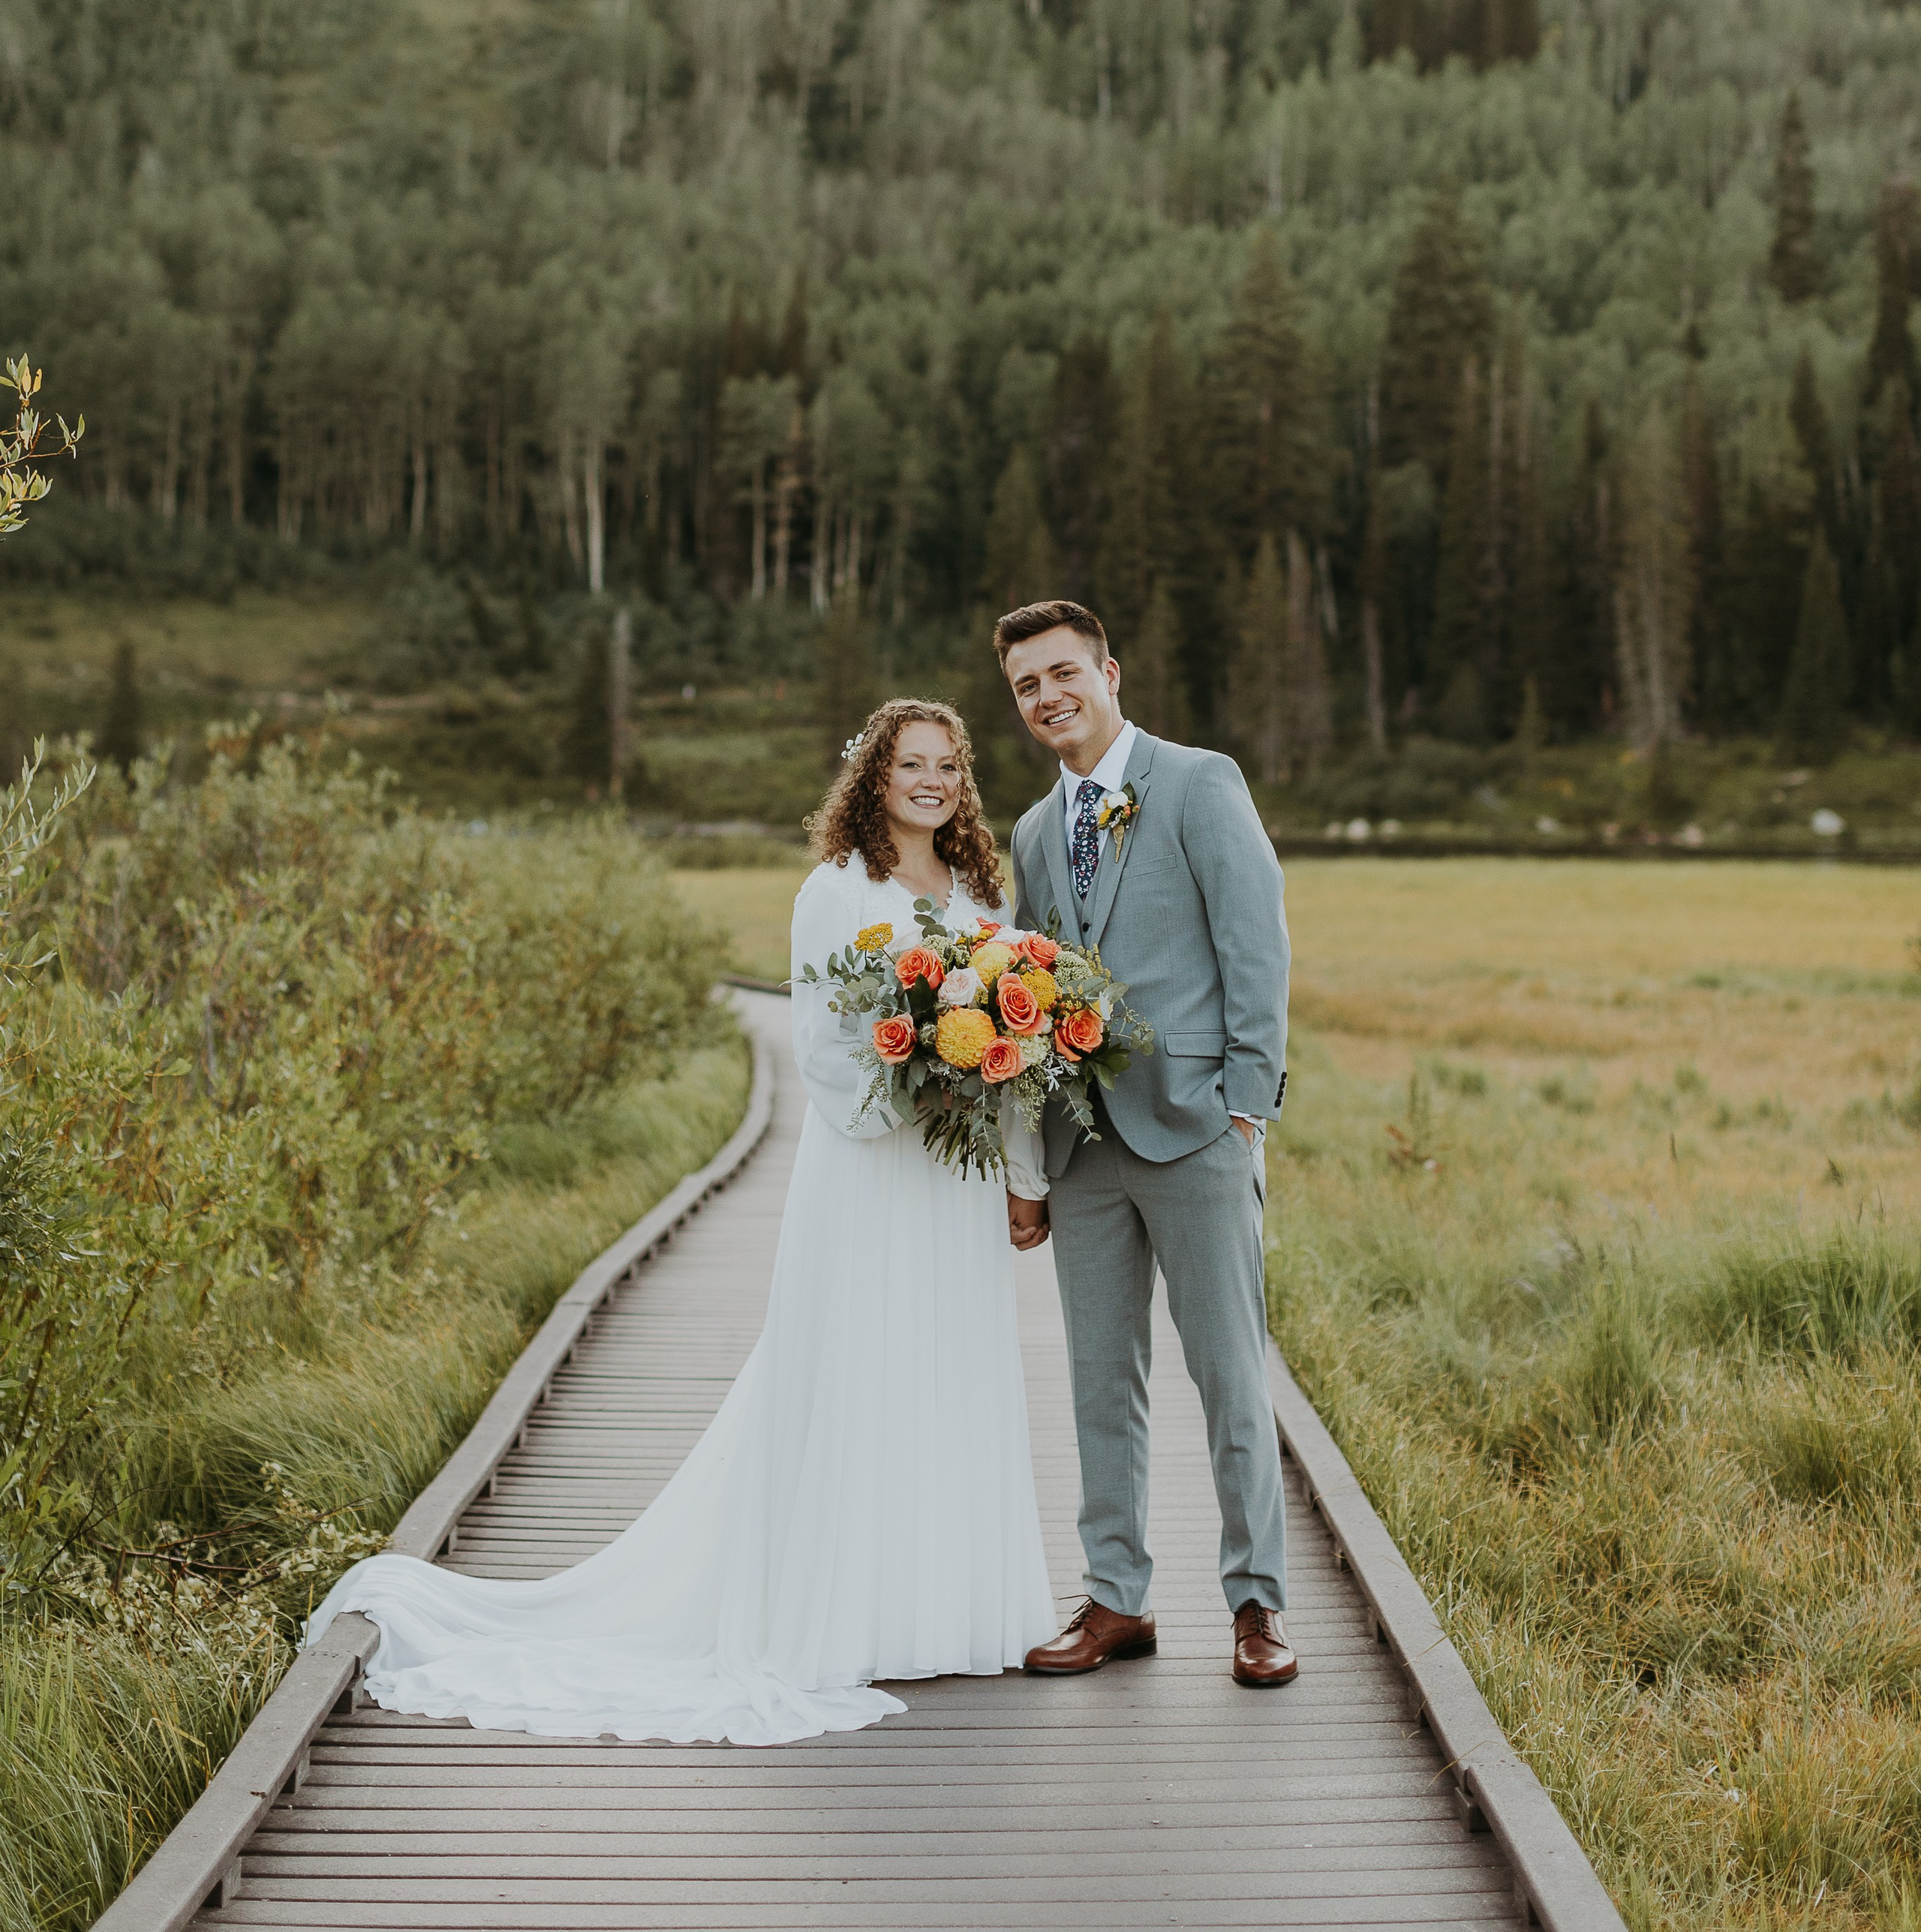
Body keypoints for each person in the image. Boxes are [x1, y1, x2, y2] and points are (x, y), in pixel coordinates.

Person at [306, 699, 1055, 1745]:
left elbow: (1015, 1045)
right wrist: (922, 1075)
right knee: (859, 1369)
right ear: (873, 777)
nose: (930, 781)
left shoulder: (982, 891)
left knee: (945, 1369)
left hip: (952, 1182)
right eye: (909, 764)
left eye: (946, 766)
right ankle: (847, 1616)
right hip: (871, 1174)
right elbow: (827, 1051)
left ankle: (946, 1611)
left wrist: (1018, 1165)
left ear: (962, 781)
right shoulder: (835, 894)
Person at [996, 599, 1297, 1690]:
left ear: (1110, 672)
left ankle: (1257, 1604)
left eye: (1064, 673)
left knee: (1227, 1375)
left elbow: (1255, 941)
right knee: (1097, 1382)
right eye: (1028, 686)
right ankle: (1117, 1600)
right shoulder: (1035, 833)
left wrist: (1246, 1105)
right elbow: (1026, 1003)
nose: (1048, 698)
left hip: (1198, 1132)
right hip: (1084, 1151)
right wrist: (1030, 1166)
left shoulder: (1200, 781)